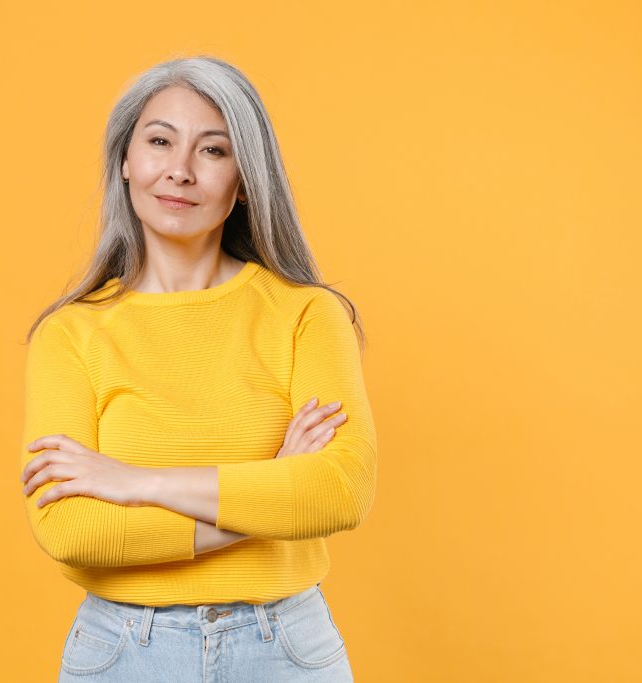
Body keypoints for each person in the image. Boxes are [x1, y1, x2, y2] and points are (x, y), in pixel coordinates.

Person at [19, 55, 377, 682]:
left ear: (244, 181)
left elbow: (340, 491)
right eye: (160, 141)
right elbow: (73, 531)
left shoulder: (306, 315)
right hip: (125, 653)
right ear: (125, 161)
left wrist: (134, 482)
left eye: (213, 150)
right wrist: (269, 493)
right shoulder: (70, 334)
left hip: (285, 651)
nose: (179, 171)